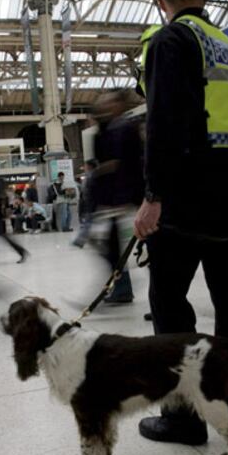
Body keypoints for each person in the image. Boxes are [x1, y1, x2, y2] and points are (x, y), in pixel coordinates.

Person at [133, 0, 228, 445]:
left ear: (161, 2)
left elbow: (167, 122)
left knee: (168, 302)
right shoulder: (227, 48)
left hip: (186, 194)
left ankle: (183, 417)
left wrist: (153, 195)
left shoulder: (170, 40)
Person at [90, 89, 144, 303]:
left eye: (110, 101)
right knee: (112, 248)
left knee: (121, 247)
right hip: (113, 200)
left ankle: (123, 288)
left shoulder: (126, 129)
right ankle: (122, 287)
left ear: (120, 105)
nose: (105, 105)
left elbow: (127, 165)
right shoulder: (106, 130)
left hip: (126, 200)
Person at [73, 159, 98, 248]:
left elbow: (89, 192)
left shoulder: (92, 176)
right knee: (89, 223)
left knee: (88, 223)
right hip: (89, 204)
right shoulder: (90, 176)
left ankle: (80, 241)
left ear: (90, 166)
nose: (84, 167)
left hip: (91, 204)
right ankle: (83, 240)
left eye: (86, 165)